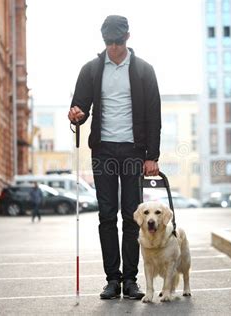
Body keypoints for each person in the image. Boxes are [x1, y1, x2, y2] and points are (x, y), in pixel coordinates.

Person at [68, 15, 161, 300]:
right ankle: (112, 280)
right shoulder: (91, 70)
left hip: (134, 150)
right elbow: (79, 106)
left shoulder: (144, 70)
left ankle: (131, 280)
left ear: (128, 38)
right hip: (104, 149)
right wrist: (76, 113)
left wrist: (152, 156)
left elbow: (154, 115)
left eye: (118, 42)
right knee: (107, 214)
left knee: (133, 216)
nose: (114, 48)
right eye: (109, 43)